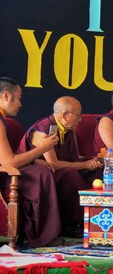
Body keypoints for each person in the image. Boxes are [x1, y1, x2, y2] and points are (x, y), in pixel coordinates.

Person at [19, 96, 102, 234]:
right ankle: (70, 223)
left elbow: (74, 158)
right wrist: (85, 164)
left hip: (56, 171)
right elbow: (54, 164)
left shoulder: (68, 130)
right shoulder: (44, 130)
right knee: (70, 174)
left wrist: (92, 161)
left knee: (98, 170)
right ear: (64, 115)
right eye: (78, 115)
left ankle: (92, 220)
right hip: (36, 175)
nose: (80, 119)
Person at [0, 77, 62, 247]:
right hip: (5, 174)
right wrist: (42, 148)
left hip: (6, 168)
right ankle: (40, 236)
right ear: (6, 96)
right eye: (19, 98)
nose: (20, 104)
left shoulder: (4, 121)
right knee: (40, 175)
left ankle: (42, 234)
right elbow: (9, 161)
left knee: (41, 170)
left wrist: (34, 160)